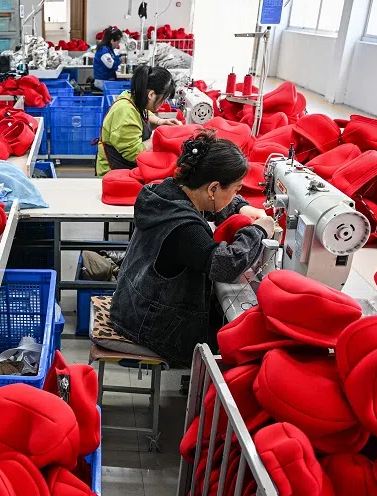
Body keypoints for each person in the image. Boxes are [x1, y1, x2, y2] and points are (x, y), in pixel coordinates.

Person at [108, 130, 276, 366]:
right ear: (213, 187)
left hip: (132, 303)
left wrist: (240, 208)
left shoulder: (166, 191)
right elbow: (224, 265)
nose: (237, 194)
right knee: (242, 341)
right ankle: (204, 393)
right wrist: (258, 231)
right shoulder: (184, 228)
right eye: (237, 189)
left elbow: (212, 200)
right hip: (148, 324)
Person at [96, 66, 180, 176]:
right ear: (151, 94)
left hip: (124, 167)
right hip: (114, 173)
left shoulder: (133, 97)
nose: (163, 103)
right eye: (163, 99)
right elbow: (134, 154)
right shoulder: (125, 112)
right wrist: (160, 136)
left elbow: (143, 113)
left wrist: (160, 122)